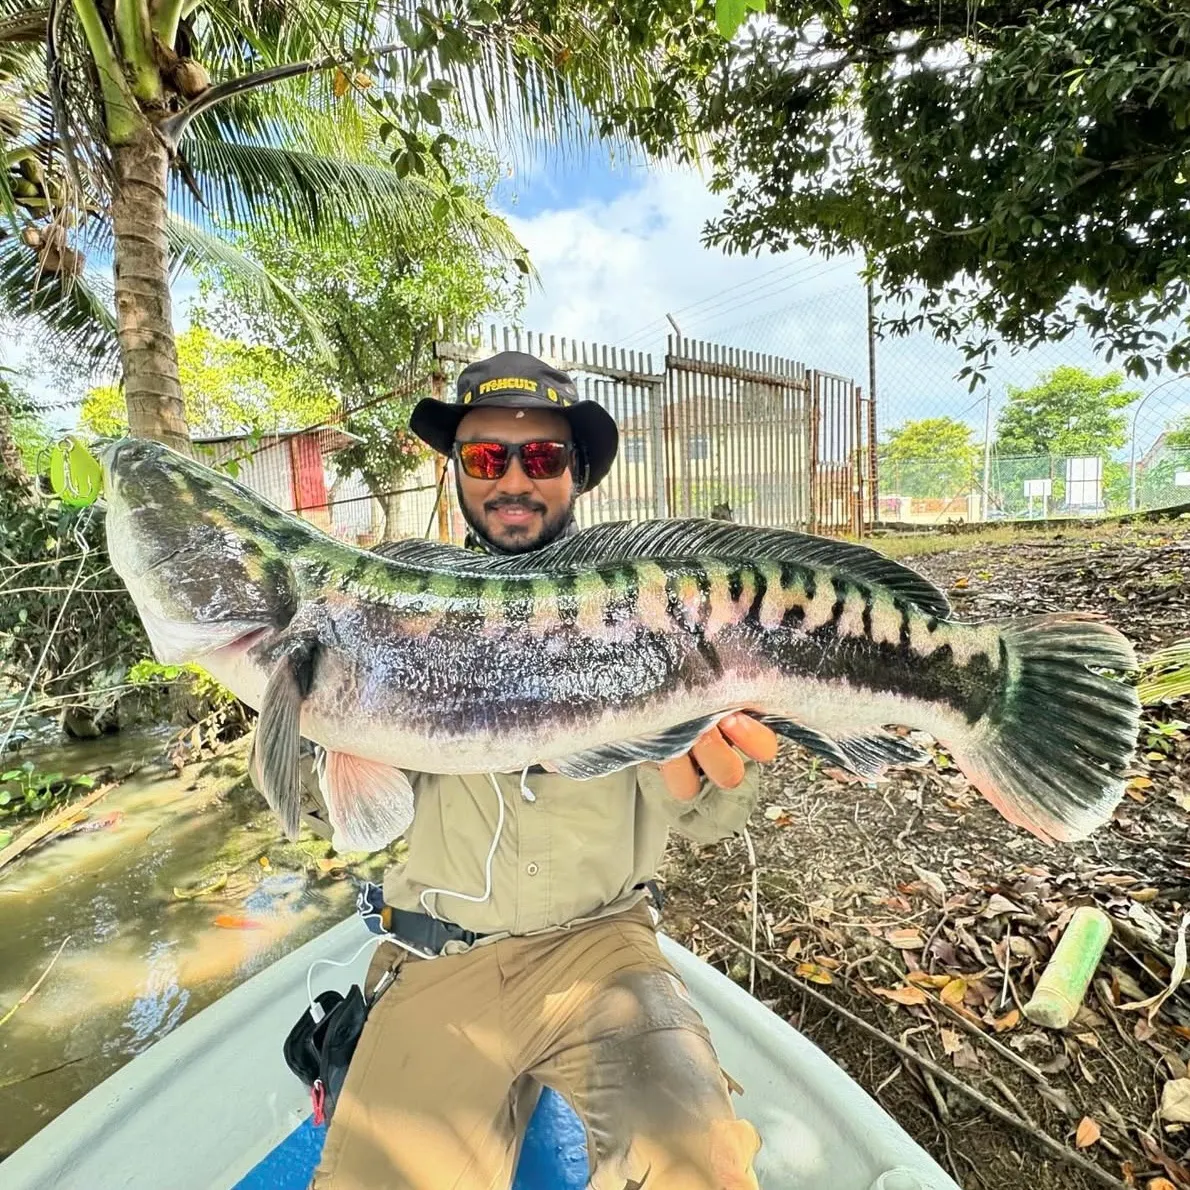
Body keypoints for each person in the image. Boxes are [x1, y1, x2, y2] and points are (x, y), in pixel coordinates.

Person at [313, 351, 779, 1190]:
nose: (514, 479)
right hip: (438, 959)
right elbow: (341, 820)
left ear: (577, 473)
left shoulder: (657, 613)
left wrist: (712, 767)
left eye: (542, 456)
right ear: (457, 471)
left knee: (701, 1173)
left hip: (605, 950)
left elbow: (712, 820)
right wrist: (320, 720)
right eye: (486, 456)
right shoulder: (389, 608)